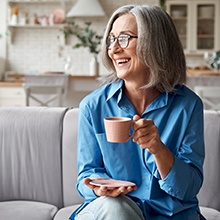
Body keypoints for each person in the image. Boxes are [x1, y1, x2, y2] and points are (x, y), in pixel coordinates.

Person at [69, 4, 205, 220]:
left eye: (124, 38)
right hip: (113, 211)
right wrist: (98, 188)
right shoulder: (93, 106)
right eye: (111, 39)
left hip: (171, 215)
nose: (113, 49)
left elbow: (188, 188)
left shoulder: (188, 106)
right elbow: (86, 175)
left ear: (156, 44)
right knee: (116, 210)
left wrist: (158, 149)